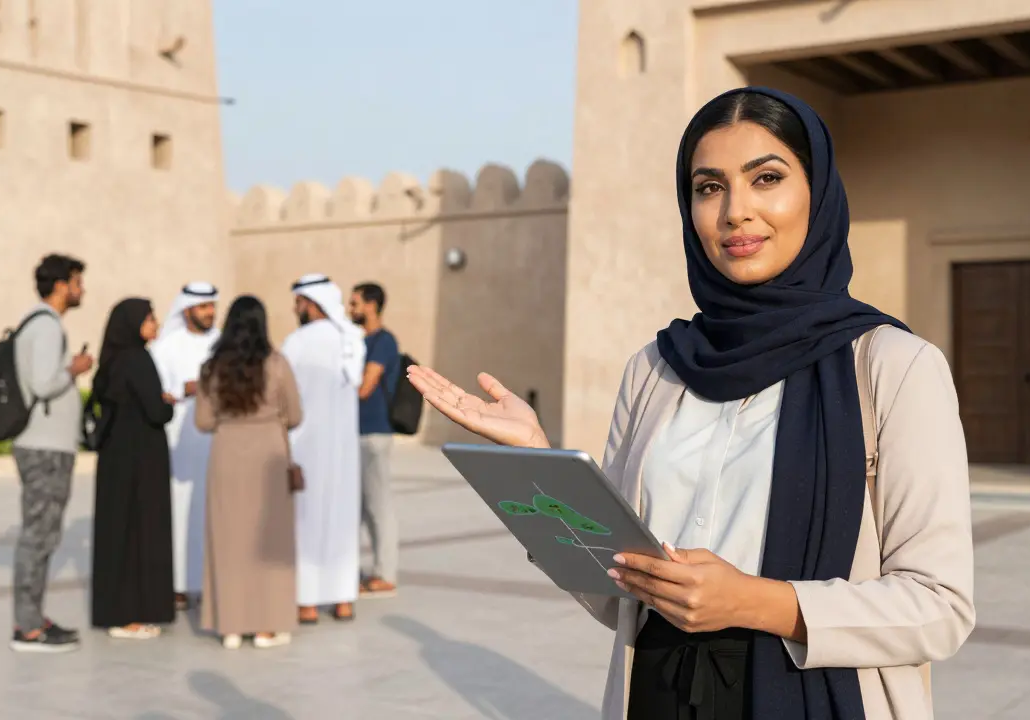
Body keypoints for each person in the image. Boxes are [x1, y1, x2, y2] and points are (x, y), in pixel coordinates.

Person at [407, 87, 975, 720]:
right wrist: (539, 463)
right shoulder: (656, 369)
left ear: (818, 193)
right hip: (659, 692)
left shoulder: (891, 366)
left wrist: (755, 602)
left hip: (814, 699)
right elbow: (616, 590)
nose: (736, 211)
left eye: (767, 178)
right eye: (709, 188)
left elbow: (940, 607)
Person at [195, 295, 302, 650]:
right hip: (269, 454)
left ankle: (230, 625)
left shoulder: (211, 368)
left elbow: (203, 421)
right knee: (270, 539)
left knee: (229, 539)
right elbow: (295, 415)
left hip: (227, 454)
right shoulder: (278, 364)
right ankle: (267, 624)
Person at [8, 254, 94, 653]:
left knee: (42, 535)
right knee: (38, 536)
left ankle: (32, 619)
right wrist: (75, 368)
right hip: (44, 448)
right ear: (61, 285)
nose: (81, 289)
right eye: (77, 282)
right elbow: (43, 384)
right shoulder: (45, 326)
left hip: (46, 445)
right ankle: (27, 629)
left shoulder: (40, 323)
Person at [88, 298, 177, 638]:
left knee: (118, 531)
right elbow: (155, 411)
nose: (156, 324)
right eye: (150, 318)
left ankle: (117, 610)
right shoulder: (138, 360)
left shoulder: (113, 361)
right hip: (141, 459)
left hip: (116, 457)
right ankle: (128, 616)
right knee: (139, 530)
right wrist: (167, 404)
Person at [282, 274, 366, 624]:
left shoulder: (296, 342)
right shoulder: (353, 339)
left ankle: (308, 602)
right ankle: (343, 600)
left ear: (311, 303)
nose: (295, 309)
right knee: (342, 521)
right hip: (343, 451)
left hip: (305, 445)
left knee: (307, 521)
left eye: (298, 302)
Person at [148, 281, 221, 610]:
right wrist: (184, 388)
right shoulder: (166, 347)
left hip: (216, 441)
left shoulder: (221, 343)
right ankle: (177, 585)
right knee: (178, 512)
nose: (210, 312)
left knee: (212, 511)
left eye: (212, 306)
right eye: (203, 307)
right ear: (187, 309)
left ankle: (208, 582)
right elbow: (157, 391)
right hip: (180, 442)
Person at [349, 282, 401, 598]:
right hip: (357, 434)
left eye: (355, 303)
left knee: (378, 505)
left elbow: (365, 387)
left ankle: (385, 573)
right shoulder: (359, 341)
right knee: (355, 508)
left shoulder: (384, 341)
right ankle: (350, 572)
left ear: (371, 305)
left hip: (374, 434)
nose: (350, 308)